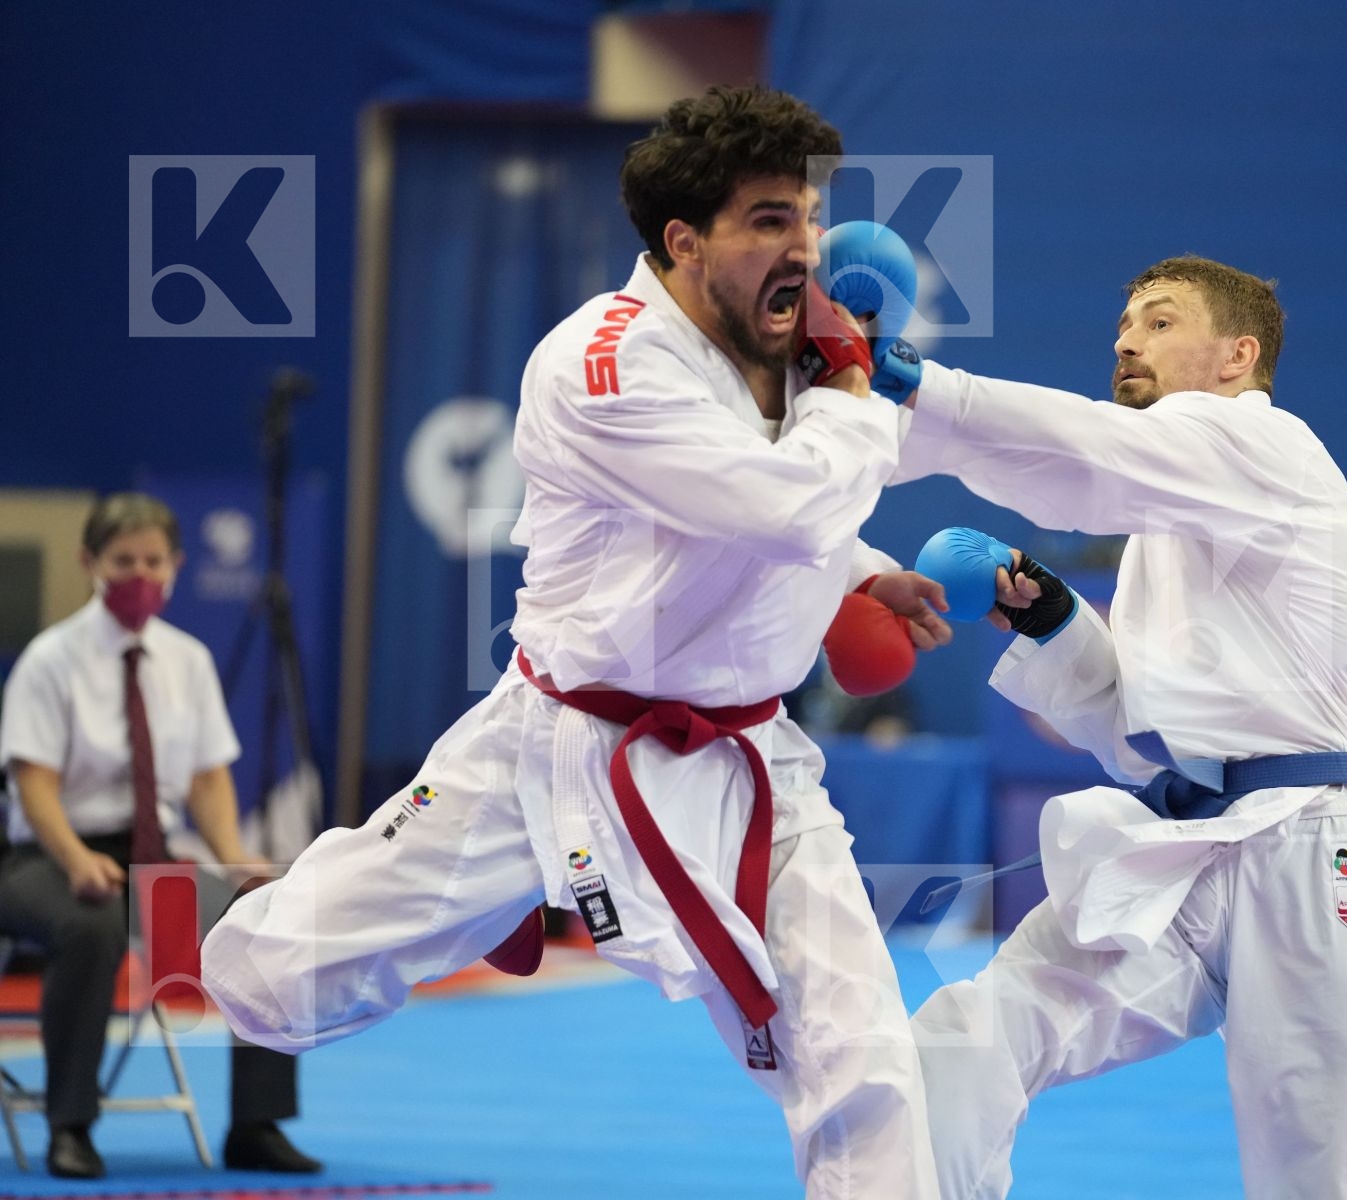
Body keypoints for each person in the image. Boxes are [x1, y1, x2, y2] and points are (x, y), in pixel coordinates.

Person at [201, 86, 950, 1199]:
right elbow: (781, 505)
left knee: (864, 1058)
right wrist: (852, 387)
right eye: (767, 222)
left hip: (754, 768)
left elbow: (774, 525)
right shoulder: (602, 368)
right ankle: (490, 893)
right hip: (559, 751)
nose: (805, 249)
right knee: (276, 975)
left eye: (805, 215)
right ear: (683, 242)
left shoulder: (789, 344)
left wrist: (863, 566)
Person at [886, 255, 1347, 1198]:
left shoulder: (1266, 446)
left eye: (1162, 322)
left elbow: (1082, 457)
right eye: (1125, 323)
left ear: (1236, 356)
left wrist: (920, 390)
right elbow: (1135, 736)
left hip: (1313, 845)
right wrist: (1056, 623)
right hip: (1188, 850)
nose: (1127, 339)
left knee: (1334, 1163)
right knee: (967, 1044)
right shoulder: (1163, 519)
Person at [0, 493, 319, 1178]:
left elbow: (207, 779)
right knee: (92, 926)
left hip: (153, 861)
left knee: (262, 918)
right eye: (123, 561)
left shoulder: (189, 661)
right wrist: (77, 858)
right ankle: (72, 1126)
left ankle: (256, 1125)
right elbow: (35, 783)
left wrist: (235, 860)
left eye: (153, 561)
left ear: (175, 566)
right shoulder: (49, 660)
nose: (139, 575)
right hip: (45, 857)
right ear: (90, 563)